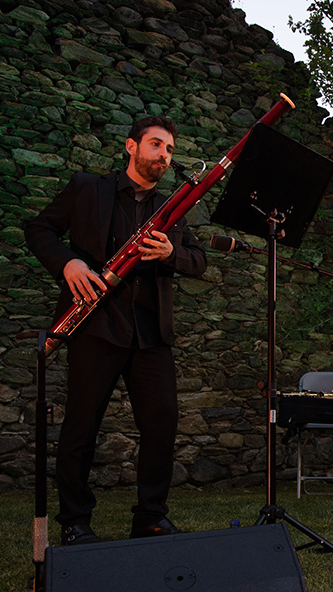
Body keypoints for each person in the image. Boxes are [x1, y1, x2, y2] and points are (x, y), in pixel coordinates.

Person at [24, 116, 208, 545]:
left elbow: (198, 261)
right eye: (156, 145)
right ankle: (75, 522)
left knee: (162, 425)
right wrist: (68, 263)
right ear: (131, 146)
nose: (164, 156)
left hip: (150, 333)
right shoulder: (88, 188)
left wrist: (171, 253)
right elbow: (39, 229)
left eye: (169, 150)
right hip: (96, 325)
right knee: (81, 426)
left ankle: (150, 517)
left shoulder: (173, 209)